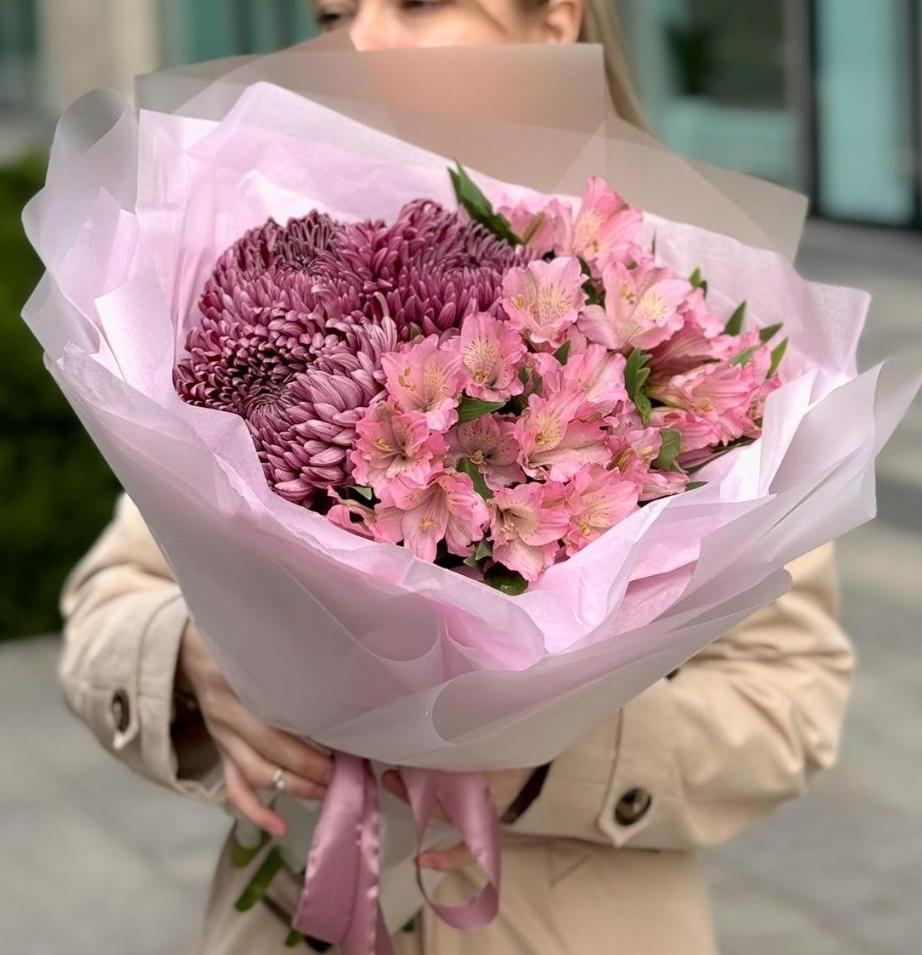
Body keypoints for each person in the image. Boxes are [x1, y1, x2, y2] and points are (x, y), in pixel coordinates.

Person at [57, 1, 855, 952]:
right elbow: (108, 598)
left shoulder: (687, 316)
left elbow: (791, 699)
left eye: (419, 3)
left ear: (555, 21)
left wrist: (539, 761)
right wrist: (191, 667)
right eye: (335, 12)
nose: (359, 42)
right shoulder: (289, 292)